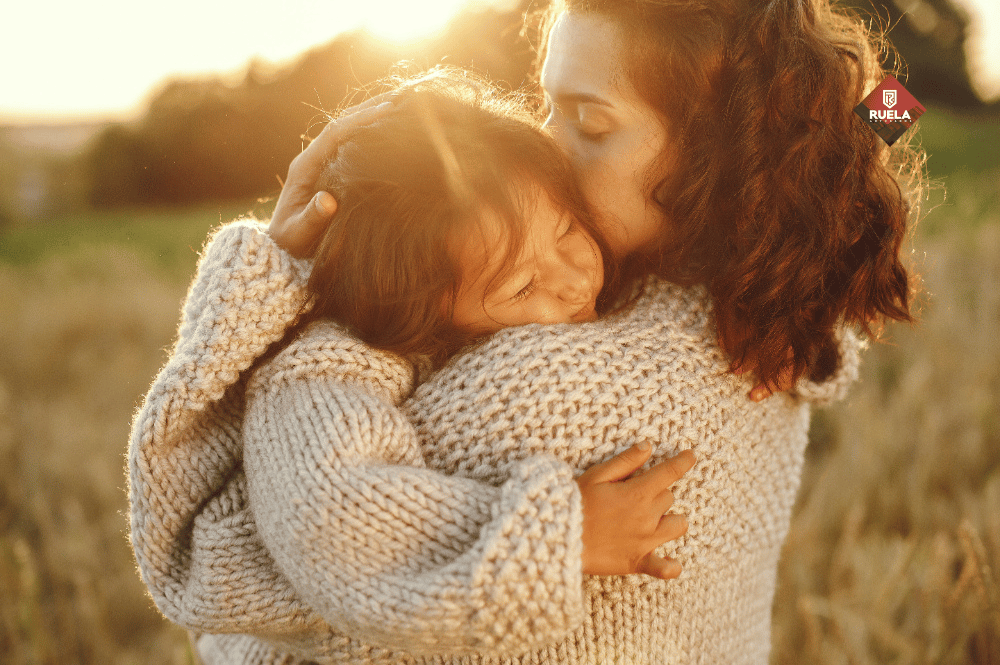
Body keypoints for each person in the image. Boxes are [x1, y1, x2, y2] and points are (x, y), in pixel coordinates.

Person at [129, 0, 924, 662]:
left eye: (590, 120)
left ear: (721, 144)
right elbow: (884, 108)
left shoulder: (540, 386)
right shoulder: (764, 308)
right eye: (547, 104)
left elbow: (226, 564)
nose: (548, 144)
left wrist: (286, 280)